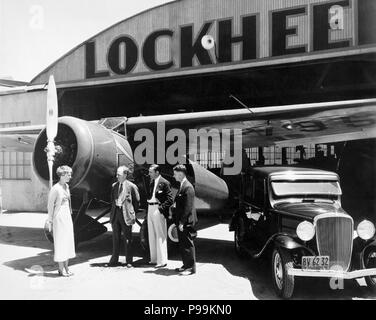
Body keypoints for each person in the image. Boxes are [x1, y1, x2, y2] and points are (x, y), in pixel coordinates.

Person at [47, 166, 76, 277]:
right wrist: (50, 220)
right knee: (60, 242)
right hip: (58, 217)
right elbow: (50, 205)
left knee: (68, 241)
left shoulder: (67, 186)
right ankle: (61, 269)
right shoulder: (55, 188)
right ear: (62, 175)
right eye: (68, 174)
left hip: (67, 216)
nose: (70, 176)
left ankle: (67, 267)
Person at [108, 166, 140, 268]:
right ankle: (114, 259)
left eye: (119, 174)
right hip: (116, 214)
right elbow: (112, 200)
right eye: (117, 174)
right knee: (115, 237)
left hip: (126, 214)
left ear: (125, 175)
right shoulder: (114, 186)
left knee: (128, 238)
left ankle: (129, 260)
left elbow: (137, 202)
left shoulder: (132, 186)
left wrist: (131, 212)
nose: (117, 176)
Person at [172, 165, 198, 276]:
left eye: (175, 174)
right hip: (181, 221)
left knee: (188, 244)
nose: (173, 176)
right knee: (182, 244)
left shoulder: (188, 187)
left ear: (181, 174)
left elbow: (188, 207)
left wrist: (182, 222)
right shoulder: (182, 185)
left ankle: (191, 268)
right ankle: (185, 265)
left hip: (186, 221)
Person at [147, 164, 173, 268]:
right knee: (151, 234)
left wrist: (161, 209)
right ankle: (154, 259)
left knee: (160, 234)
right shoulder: (151, 182)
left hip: (158, 209)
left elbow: (170, 199)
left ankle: (162, 260)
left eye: (151, 172)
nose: (149, 174)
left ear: (157, 172)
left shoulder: (165, 182)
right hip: (150, 208)